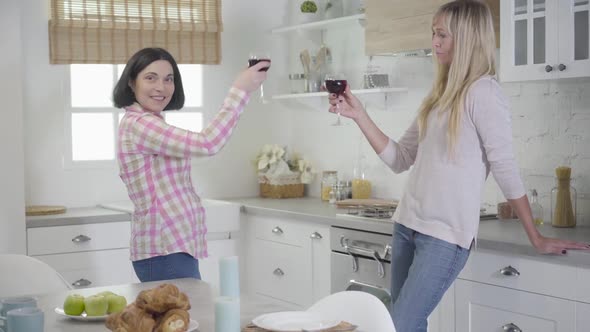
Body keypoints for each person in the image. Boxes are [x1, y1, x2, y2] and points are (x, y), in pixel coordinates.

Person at [328, 1, 590, 331]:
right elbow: (399, 159)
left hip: (445, 237)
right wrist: (359, 115)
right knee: (401, 326)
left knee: (400, 325)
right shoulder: (439, 96)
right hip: (407, 225)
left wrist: (535, 235)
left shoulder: (484, 93)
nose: (434, 42)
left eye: (442, 35)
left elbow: (505, 167)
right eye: (433, 34)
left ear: (466, 39)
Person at [113, 47, 269, 282]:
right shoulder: (141, 125)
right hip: (165, 252)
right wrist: (240, 91)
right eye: (150, 78)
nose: (161, 87)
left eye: (169, 79)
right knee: (184, 318)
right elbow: (207, 143)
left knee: (181, 318)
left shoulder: (145, 122)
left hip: (170, 250)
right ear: (131, 83)